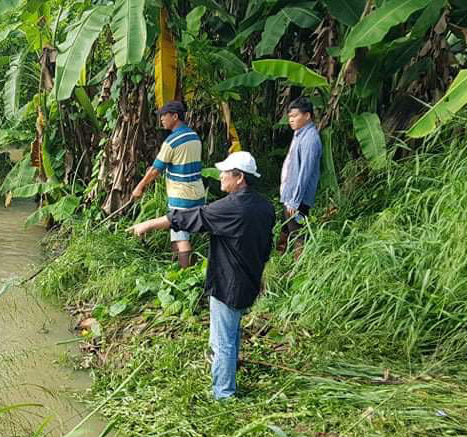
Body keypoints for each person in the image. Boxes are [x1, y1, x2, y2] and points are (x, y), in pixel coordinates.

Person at [128, 152, 275, 399]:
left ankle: (224, 394)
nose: (221, 176)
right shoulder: (265, 206)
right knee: (232, 332)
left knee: (223, 341)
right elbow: (264, 246)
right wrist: (259, 276)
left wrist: (147, 225)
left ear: (239, 178)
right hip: (249, 280)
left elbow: (190, 217)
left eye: (225, 173)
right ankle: (228, 372)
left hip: (229, 283)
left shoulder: (232, 207)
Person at [131, 100, 205, 268]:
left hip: (181, 196)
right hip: (197, 193)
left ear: (175, 116)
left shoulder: (172, 141)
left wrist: (139, 187)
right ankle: (175, 268)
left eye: (164, 116)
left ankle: (186, 276)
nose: (162, 119)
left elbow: (155, 169)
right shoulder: (194, 136)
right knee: (176, 230)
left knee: (181, 237)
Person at [277, 97, 322, 257]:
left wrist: (295, 201)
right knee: (286, 231)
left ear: (307, 116)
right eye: (289, 116)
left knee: (298, 236)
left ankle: (299, 273)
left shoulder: (310, 139)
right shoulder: (299, 134)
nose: (290, 120)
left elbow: (305, 173)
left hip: (297, 200)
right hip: (289, 196)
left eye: (295, 116)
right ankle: (277, 268)